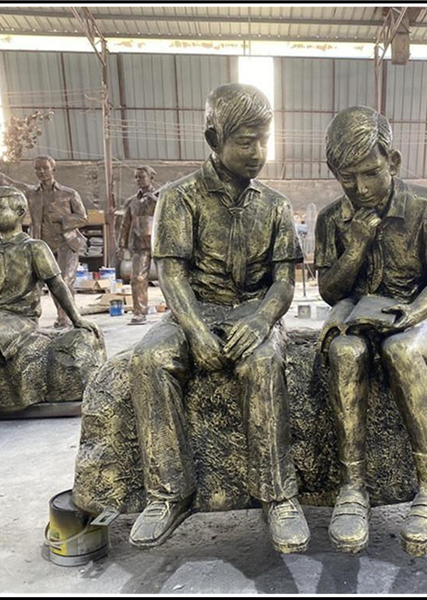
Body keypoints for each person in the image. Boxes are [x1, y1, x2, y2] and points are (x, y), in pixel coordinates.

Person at [128, 83, 310, 554]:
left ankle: (278, 495)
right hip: (195, 309)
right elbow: (171, 274)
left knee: (263, 362)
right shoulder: (179, 197)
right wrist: (194, 330)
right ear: (213, 139)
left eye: (264, 141)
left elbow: (283, 283)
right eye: (245, 142)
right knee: (148, 360)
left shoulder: (275, 205)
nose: (258, 153)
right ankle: (170, 493)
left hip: (252, 310)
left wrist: (262, 321)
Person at [315, 106, 427, 557]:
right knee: (345, 353)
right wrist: (356, 247)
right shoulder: (332, 219)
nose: (361, 188)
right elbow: (330, 291)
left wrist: (413, 313)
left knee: (401, 350)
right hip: (358, 317)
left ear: (392, 161)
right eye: (347, 178)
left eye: (371, 173)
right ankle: (352, 487)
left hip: (418, 318)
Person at [0, 186, 100, 426]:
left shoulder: (34, 248)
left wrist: (77, 319)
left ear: (20, 212)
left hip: (18, 318)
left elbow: (57, 285)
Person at [0, 135, 89, 329]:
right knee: (38, 283)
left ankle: (67, 318)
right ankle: (52, 319)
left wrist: (63, 219)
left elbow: (83, 217)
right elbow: (0, 179)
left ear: (53, 169)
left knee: (64, 281)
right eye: (38, 168)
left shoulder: (69, 194)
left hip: (66, 243)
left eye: (45, 168)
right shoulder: (30, 193)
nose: (41, 171)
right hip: (41, 243)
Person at [116, 165, 159, 324]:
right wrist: (121, 245)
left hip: (159, 243)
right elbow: (125, 225)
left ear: (151, 177)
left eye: (141, 176)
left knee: (168, 279)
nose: (138, 180)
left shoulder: (160, 197)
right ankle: (139, 312)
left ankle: (176, 313)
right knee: (137, 278)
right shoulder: (131, 202)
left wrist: (156, 201)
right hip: (139, 244)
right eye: (136, 177)